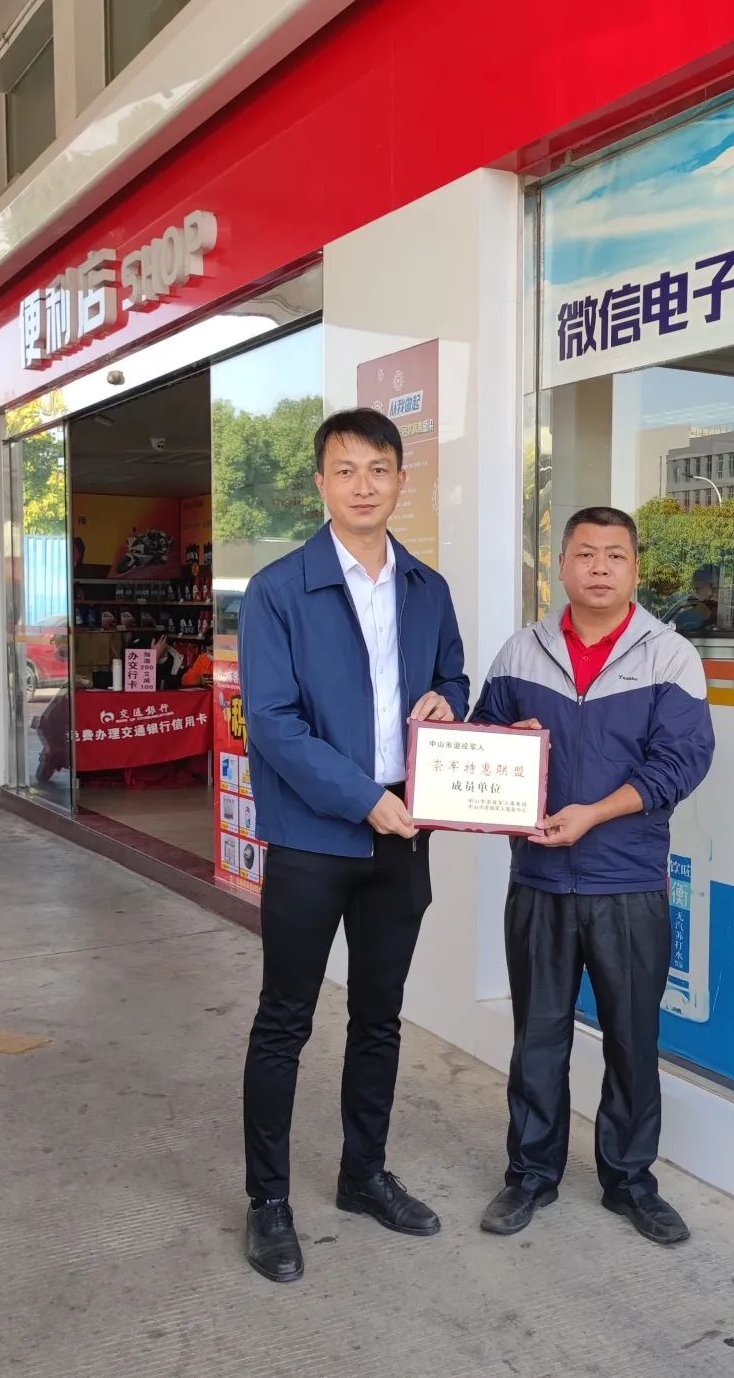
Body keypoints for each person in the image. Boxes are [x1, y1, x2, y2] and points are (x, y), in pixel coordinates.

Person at [238, 407, 469, 1283]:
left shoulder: (427, 588)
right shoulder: (278, 590)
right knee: (284, 1020)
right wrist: (363, 798)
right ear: (320, 484)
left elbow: (452, 675)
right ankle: (267, 1201)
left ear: (402, 479)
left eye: (378, 469)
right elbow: (273, 722)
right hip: (312, 837)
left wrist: (449, 701)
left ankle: (362, 1173)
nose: (363, 485)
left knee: (379, 1014)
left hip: (402, 836)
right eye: (345, 470)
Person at [470, 506, 714, 1244]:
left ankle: (630, 1181)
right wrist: (504, 739)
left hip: (628, 883)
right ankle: (530, 1174)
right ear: (562, 566)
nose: (600, 566)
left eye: (615, 554)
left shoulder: (669, 656)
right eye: (585, 553)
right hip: (539, 880)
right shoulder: (521, 652)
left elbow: (682, 762)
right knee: (537, 1037)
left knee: (632, 1040)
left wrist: (595, 813)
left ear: (636, 569)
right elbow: (478, 743)